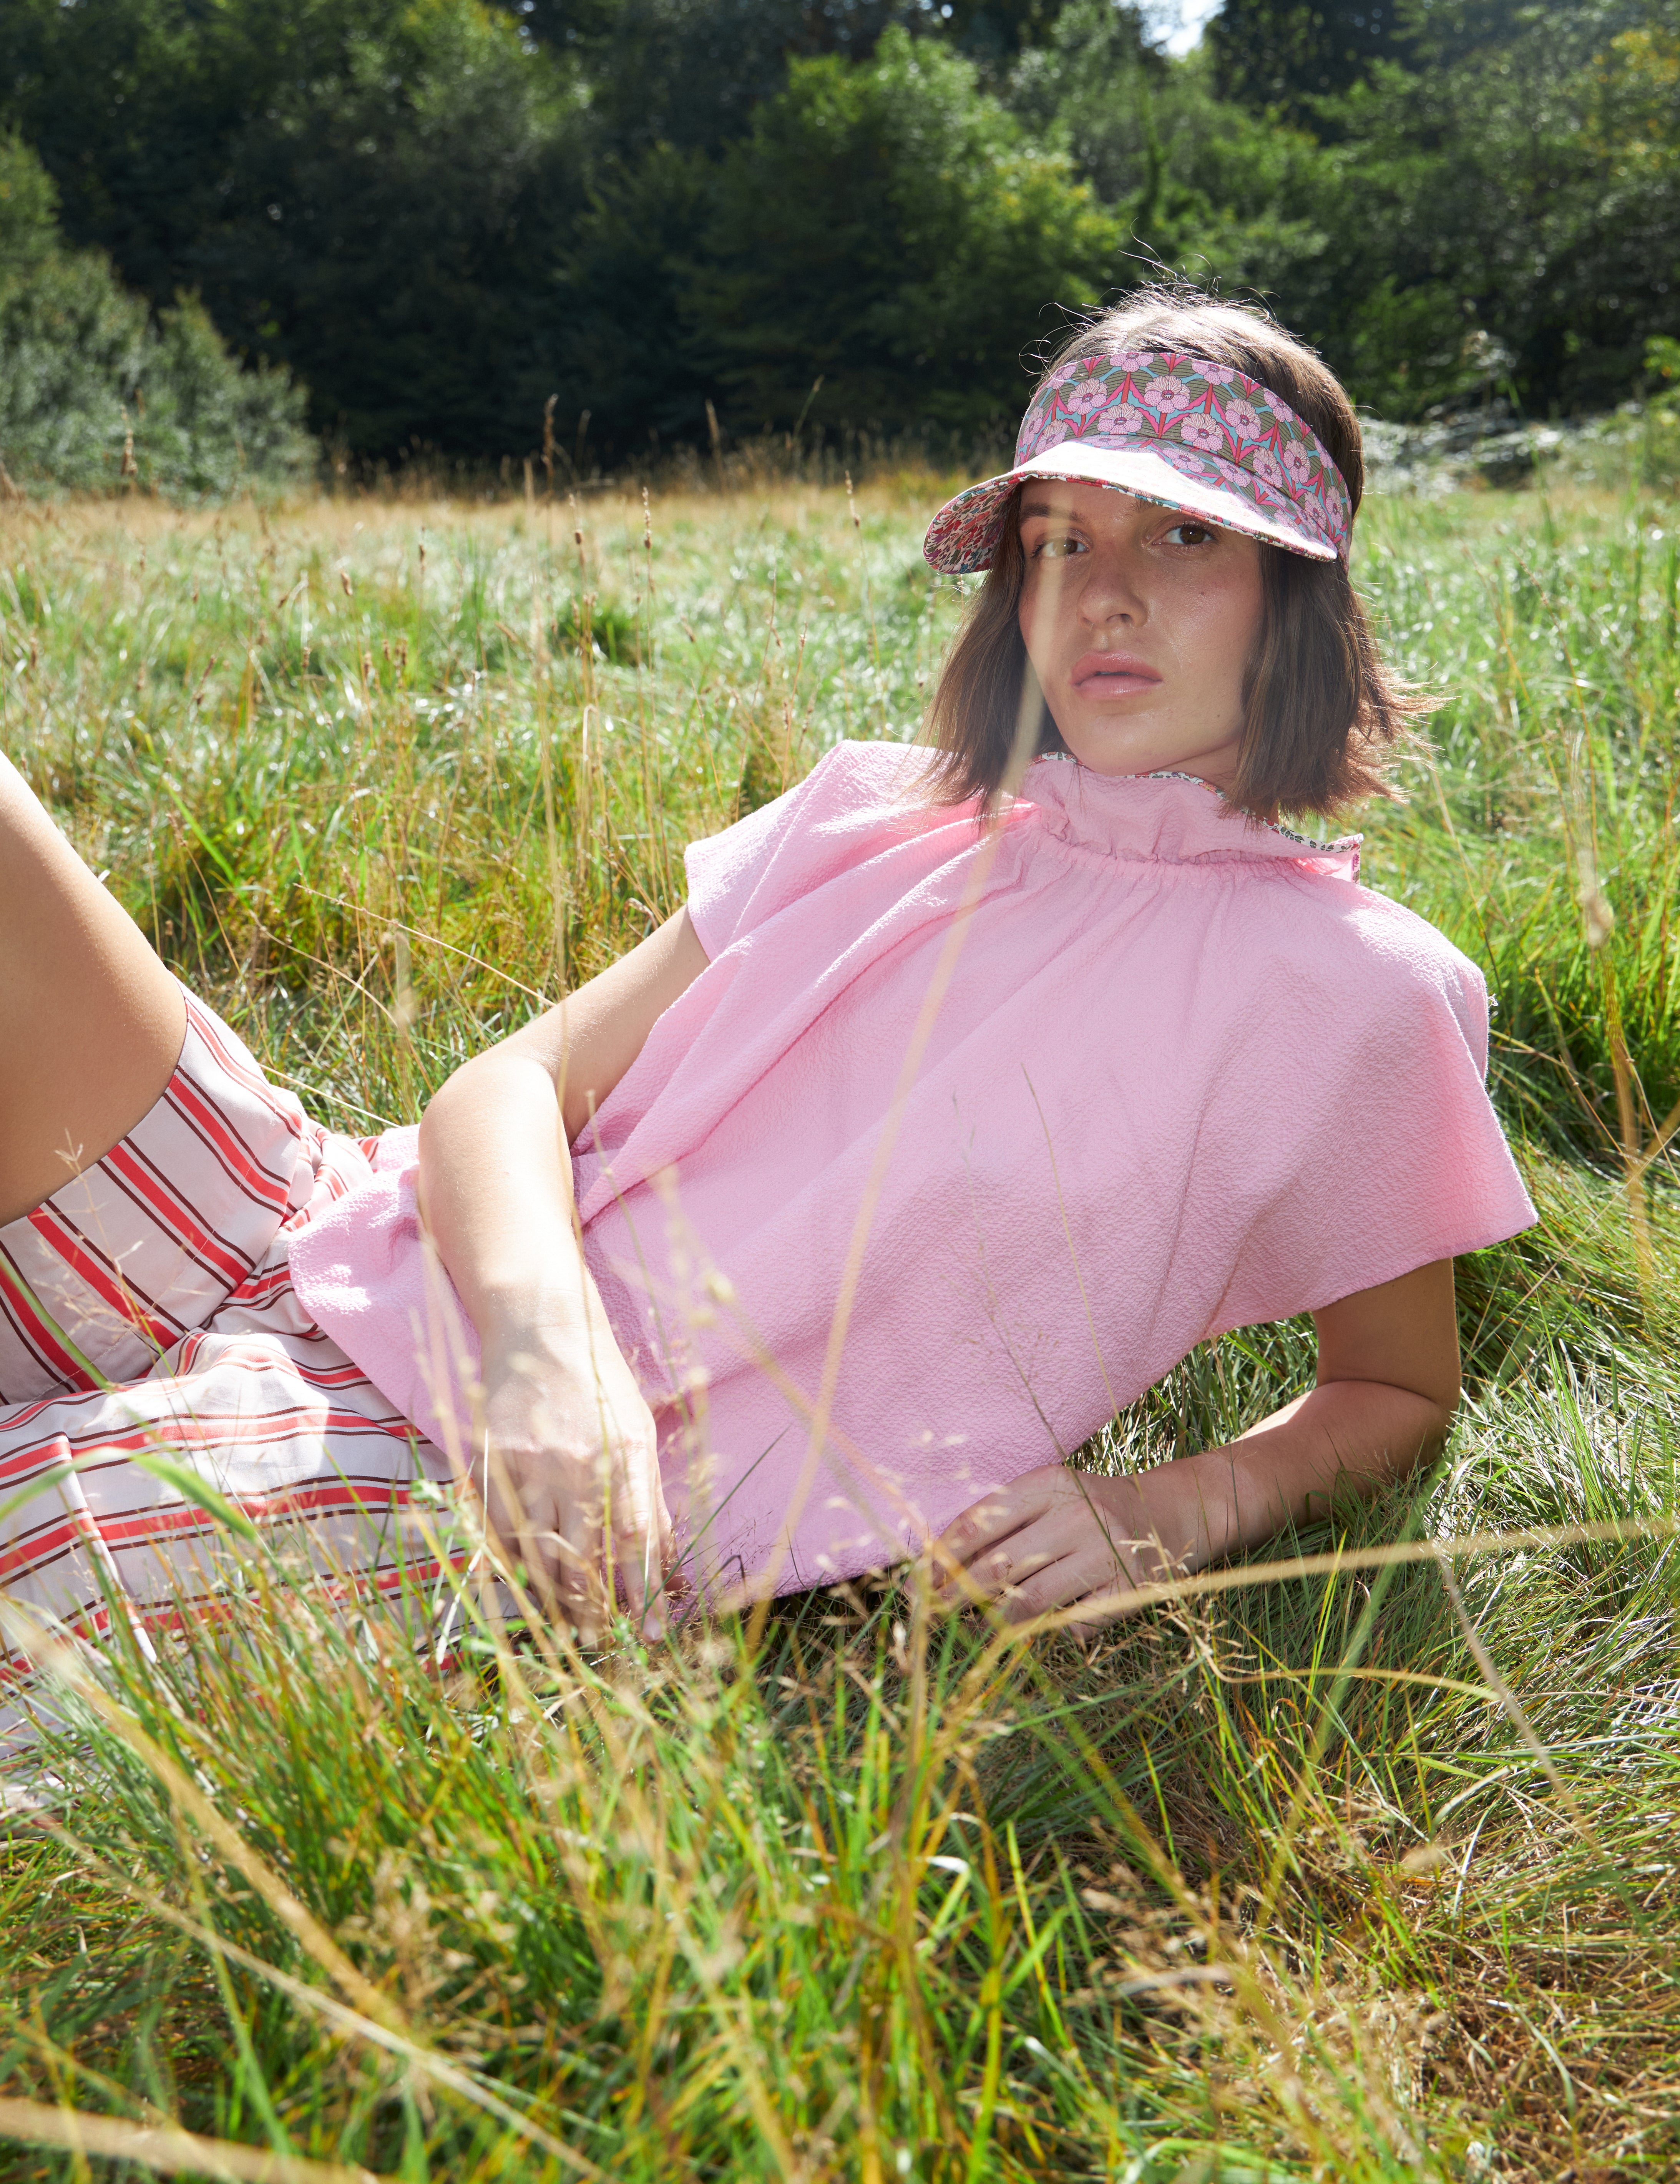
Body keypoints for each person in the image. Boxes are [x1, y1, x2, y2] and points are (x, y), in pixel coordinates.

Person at [0, 291, 1536, 1741]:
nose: (1103, 590)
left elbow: (1393, 1387)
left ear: (1299, 591)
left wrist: (1157, 1511)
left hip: (466, 1485)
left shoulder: (1360, 989)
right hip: (344, 1226)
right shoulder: (874, 808)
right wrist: (544, 1348)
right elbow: (509, 1086)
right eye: (1059, 538)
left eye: (1185, 533)